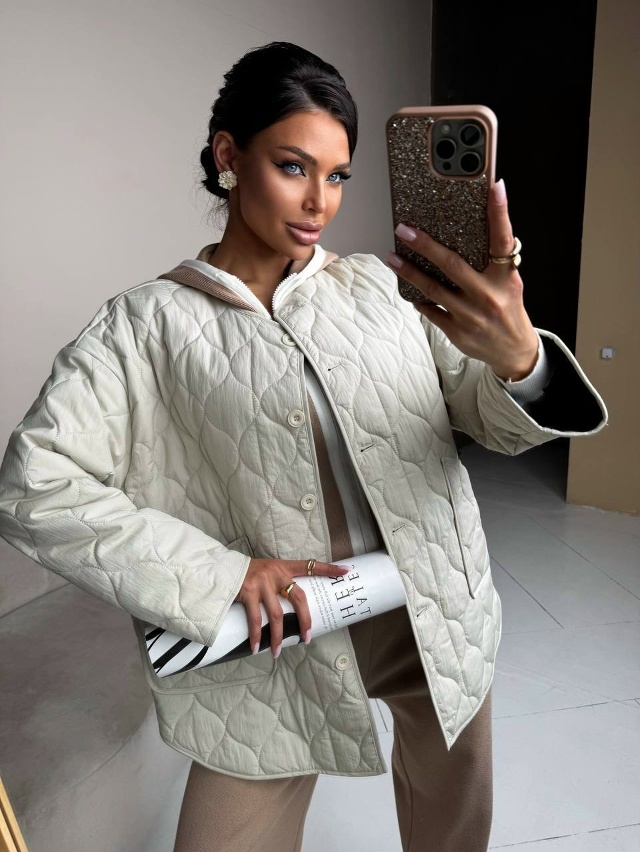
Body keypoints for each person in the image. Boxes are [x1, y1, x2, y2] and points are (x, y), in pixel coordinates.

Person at [0, 41, 607, 852]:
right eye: (293, 167)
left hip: (432, 609)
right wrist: (221, 574)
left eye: (338, 175)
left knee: (454, 830)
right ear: (228, 156)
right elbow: (32, 486)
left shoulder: (384, 290)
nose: (320, 201)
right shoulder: (143, 327)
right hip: (277, 641)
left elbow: (490, 419)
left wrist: (519, 360)